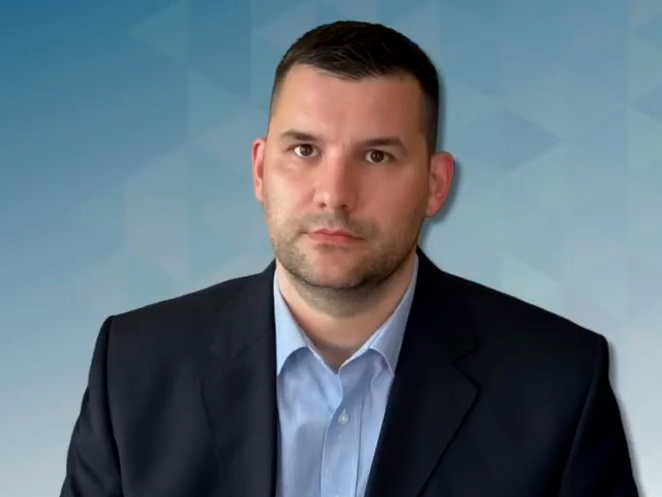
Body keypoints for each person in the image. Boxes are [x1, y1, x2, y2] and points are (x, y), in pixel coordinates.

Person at [59, 20, 639, 497]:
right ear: (260, 169)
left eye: (377, 156)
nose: (334, 193)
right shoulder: (133, 366)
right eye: (304, 149)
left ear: (435, 185)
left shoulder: (559, 384)